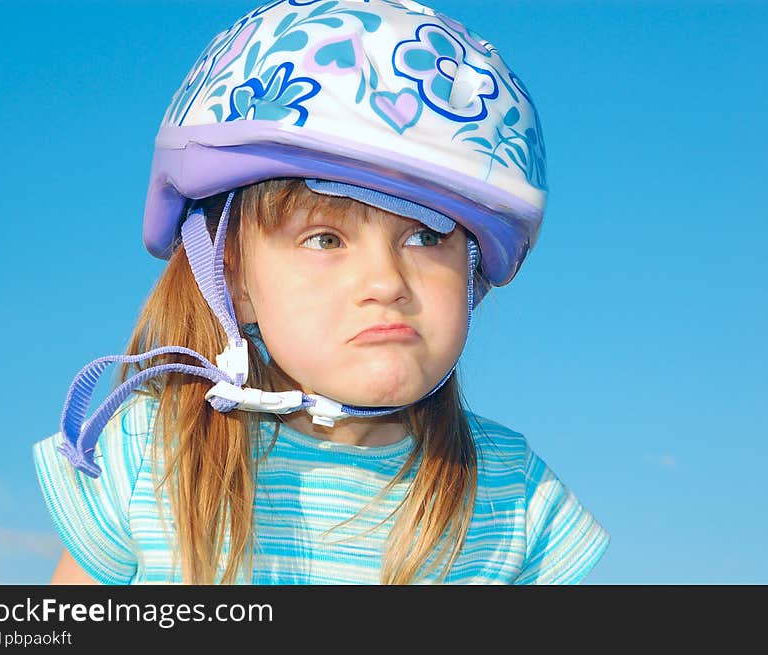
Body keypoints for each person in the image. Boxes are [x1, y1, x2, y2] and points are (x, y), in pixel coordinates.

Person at [33, 0, 609, 585]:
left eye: (425, 236)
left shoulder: (516, 502)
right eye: (326, 238)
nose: (386, 282)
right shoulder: (149, 454)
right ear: (232, 278)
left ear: (473, 271)